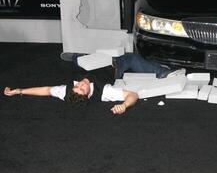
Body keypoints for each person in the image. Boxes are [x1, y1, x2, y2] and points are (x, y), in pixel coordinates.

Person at [4, 53, 185, 115]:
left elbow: (44, 90)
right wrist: (124, 105)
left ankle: (76, 56)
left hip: (90, 62)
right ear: (88, 94)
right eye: (83, 88)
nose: (81, 84)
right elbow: (133, 95)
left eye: (77, 86)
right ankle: (164, 71)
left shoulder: (65, 91)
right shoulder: (104, 92)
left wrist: (19, 91)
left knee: (79, 61)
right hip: (112, 66)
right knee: (131, 58)